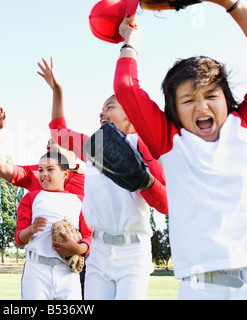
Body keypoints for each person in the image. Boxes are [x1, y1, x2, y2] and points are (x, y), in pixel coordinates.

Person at [114, 0, 247, 299]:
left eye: (211, 95)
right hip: (201, 286)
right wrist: (130, 43)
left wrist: (231, 4)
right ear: (174, 112)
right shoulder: (170, 142)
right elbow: (126, 87)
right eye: (188, 100)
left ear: (227, 99)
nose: (202, 105)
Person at [39, 57, 168, 299]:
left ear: (130, 114)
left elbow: (165, 205)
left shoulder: (144, 146)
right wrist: (57, 89)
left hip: (133, 252)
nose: (102, 112)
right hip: (98, 251)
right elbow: (58, 131)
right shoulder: (93, 148)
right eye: (102, 108)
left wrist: (146, 182)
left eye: (110, 106)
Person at [15, 151, 92, 300]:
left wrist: (77, 248)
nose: (44, 174)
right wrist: (31, 229)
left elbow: (88, 237)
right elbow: (19, 239)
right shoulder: (31, 198)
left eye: (50, 169)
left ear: (65, 174)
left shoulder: (79, 201)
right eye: (41, 170)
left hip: (68, 271)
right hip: (37, 270)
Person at [0, 107, 85, 196]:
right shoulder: (36, 172)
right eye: (48, 143)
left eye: (54, 141)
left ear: (71, 148)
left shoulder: (90, 180)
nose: (47, 146)